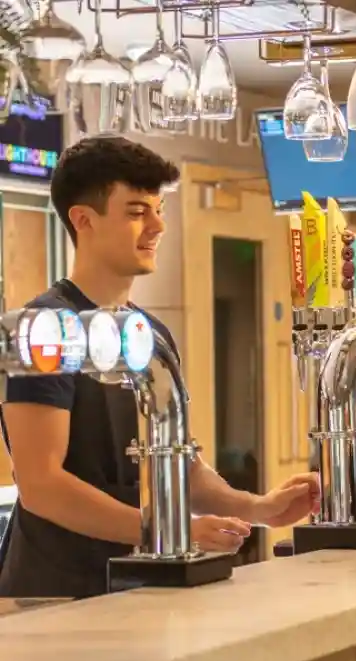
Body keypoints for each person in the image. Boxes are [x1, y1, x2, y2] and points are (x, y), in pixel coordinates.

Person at [0, 136, 319, 599]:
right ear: (83, 220)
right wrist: (168, 532)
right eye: (135, 212)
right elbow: (42, 486)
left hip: (139, 588)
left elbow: (178, 465)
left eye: (159, 208)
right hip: (55, 595)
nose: (157, 226)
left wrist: (260, 507)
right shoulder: (42, 330)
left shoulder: (151, 333)